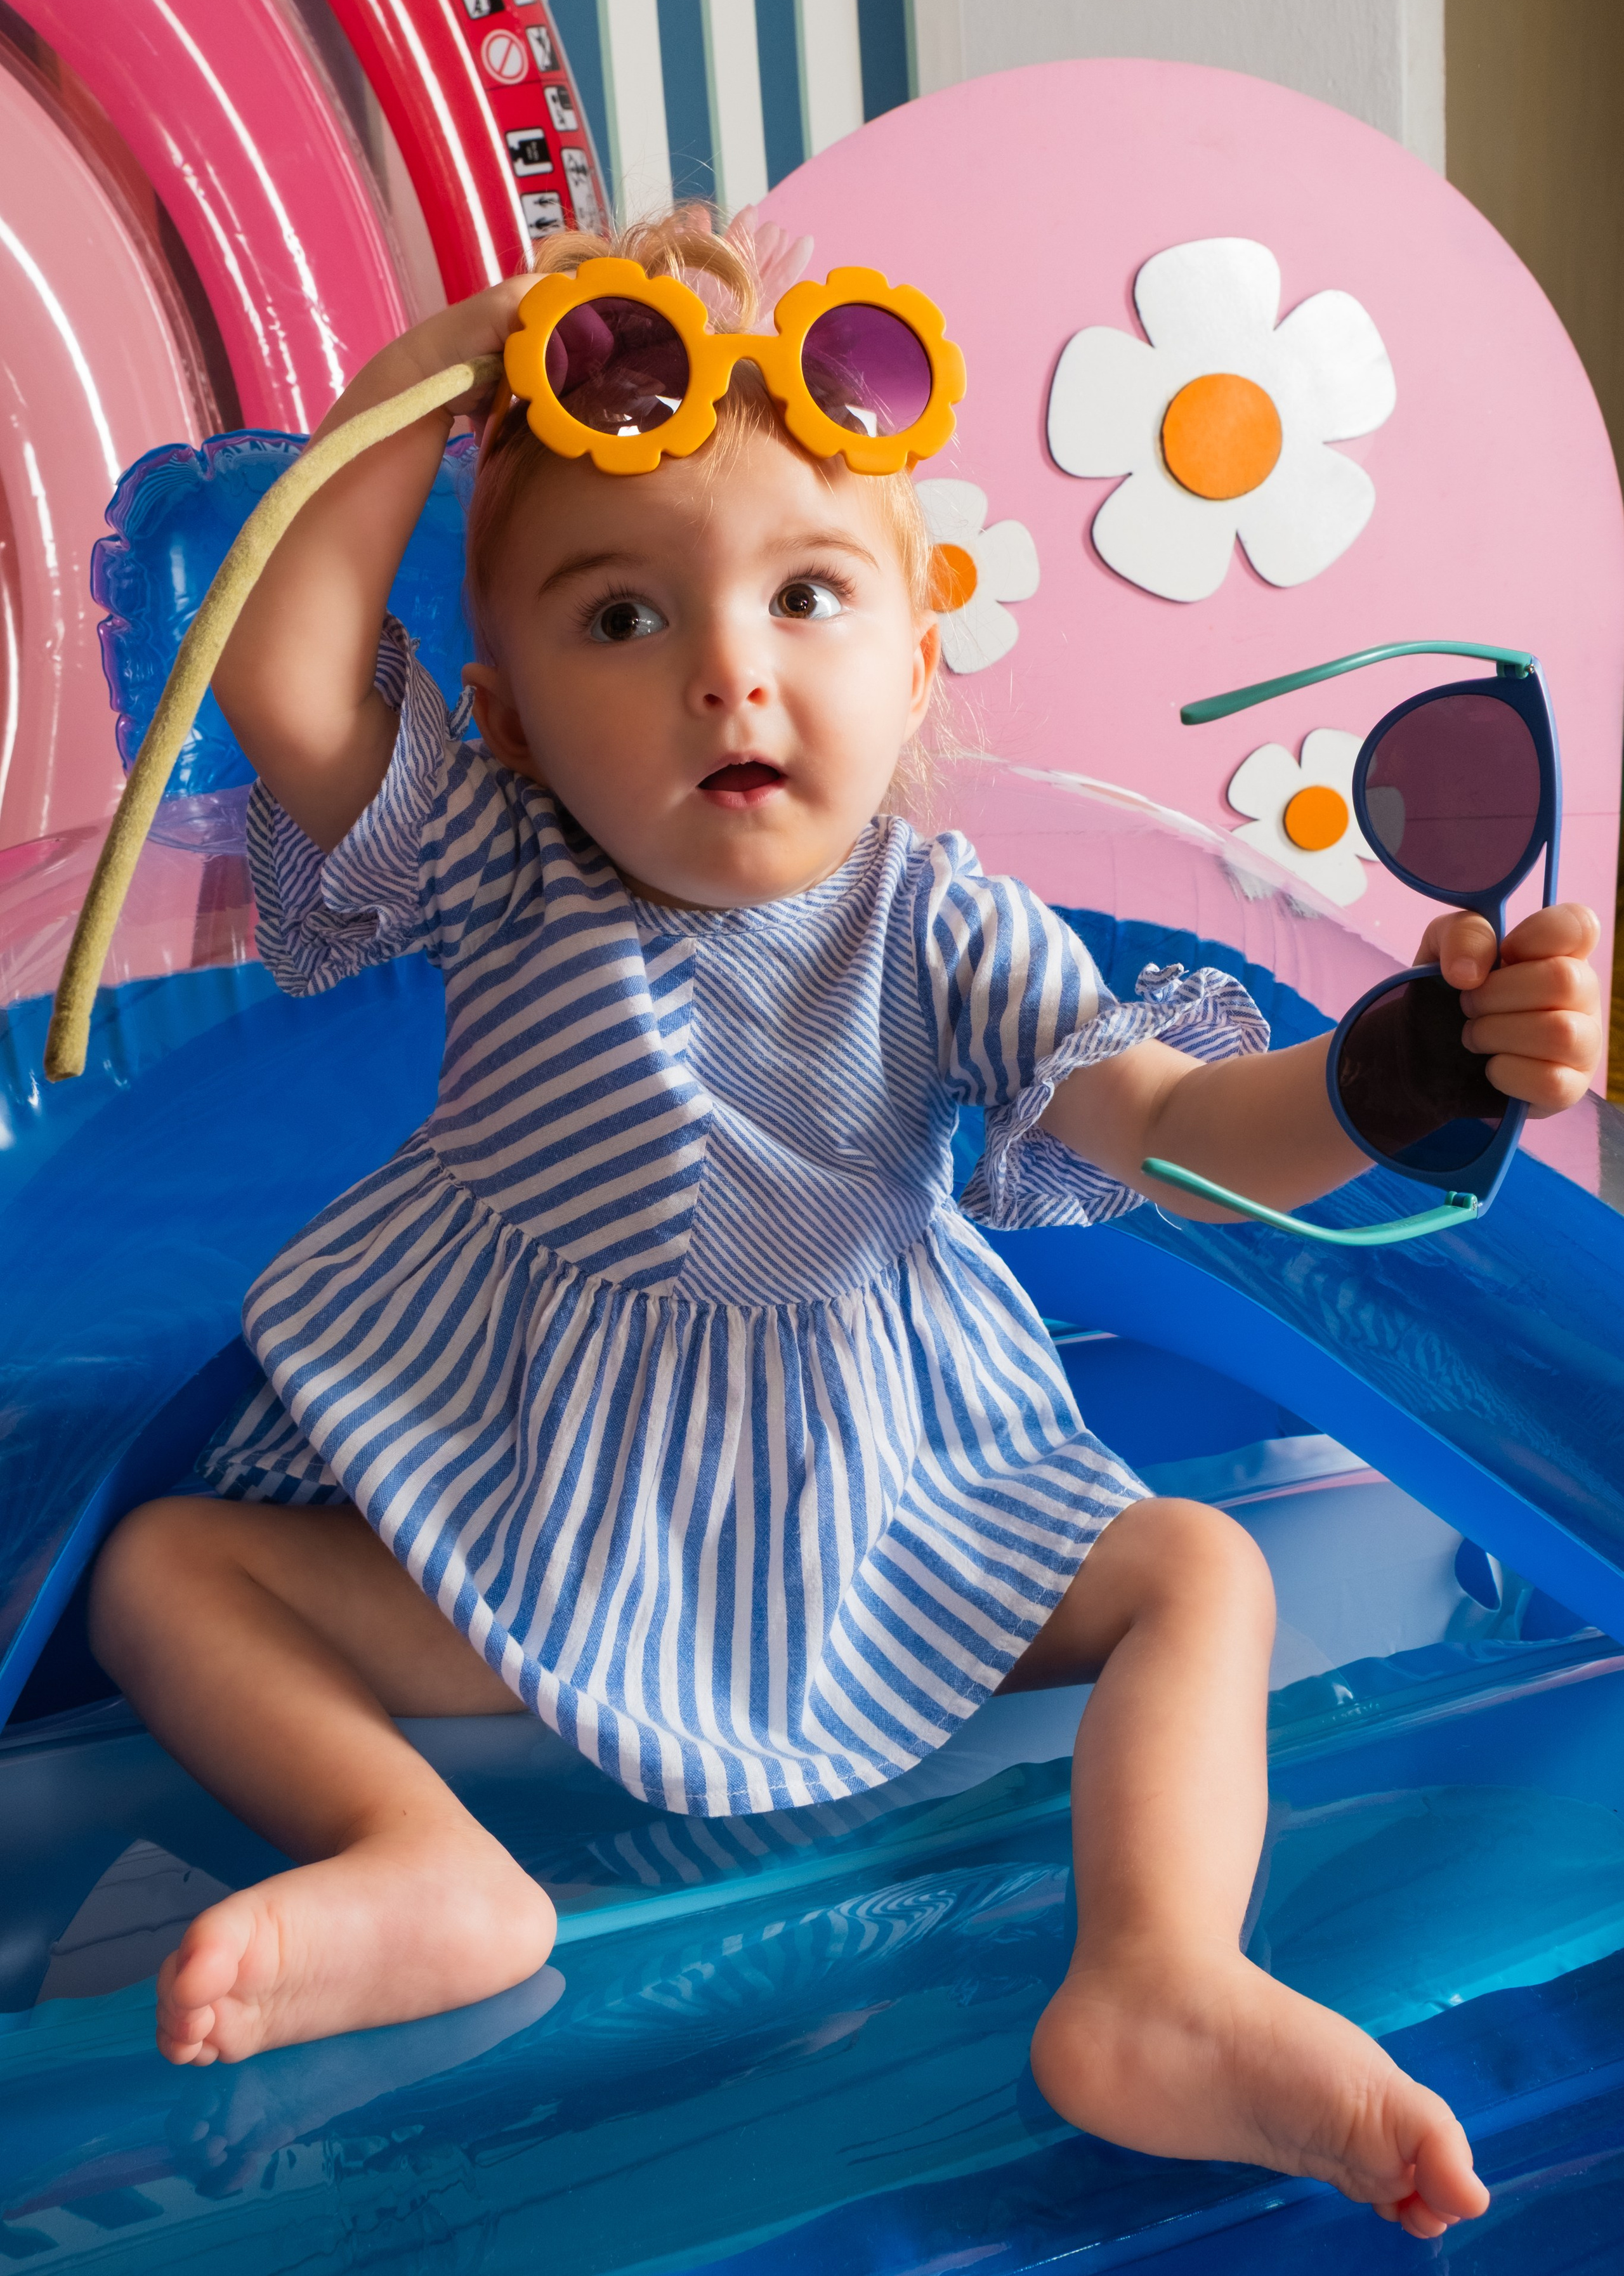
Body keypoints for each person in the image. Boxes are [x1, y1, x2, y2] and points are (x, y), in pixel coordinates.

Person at [88, 212, 1602, 2242]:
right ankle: (419, 1853)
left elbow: (1174, 1131)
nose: (729, 665)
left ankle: (1162, 1973)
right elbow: (285, 665)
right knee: (171, 1570)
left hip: (876, 1514)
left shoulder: (935, 922)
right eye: (621, 616)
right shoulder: (493, 854)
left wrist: (1407, 1073)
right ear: (510, 716)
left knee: (1196, 1568)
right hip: (536, 1523)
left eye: (805, 592)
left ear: (914, 658)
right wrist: (437, 366)